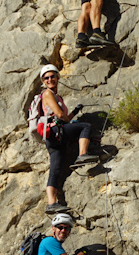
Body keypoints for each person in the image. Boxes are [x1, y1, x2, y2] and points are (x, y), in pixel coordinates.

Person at [39, 63, 99, 214]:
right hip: (56, 131)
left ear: (58, 77)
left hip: (53, 136)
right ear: (43, 81)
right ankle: (82, 155)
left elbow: (64, 117)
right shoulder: (47, 94)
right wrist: (69, 120)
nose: (50, 79)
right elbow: (59, 115)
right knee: (85, 127)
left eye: (53, 76)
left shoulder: (57, 96)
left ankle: (51, 203)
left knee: (56, 169)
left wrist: (75, 112)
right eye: (47, 78)